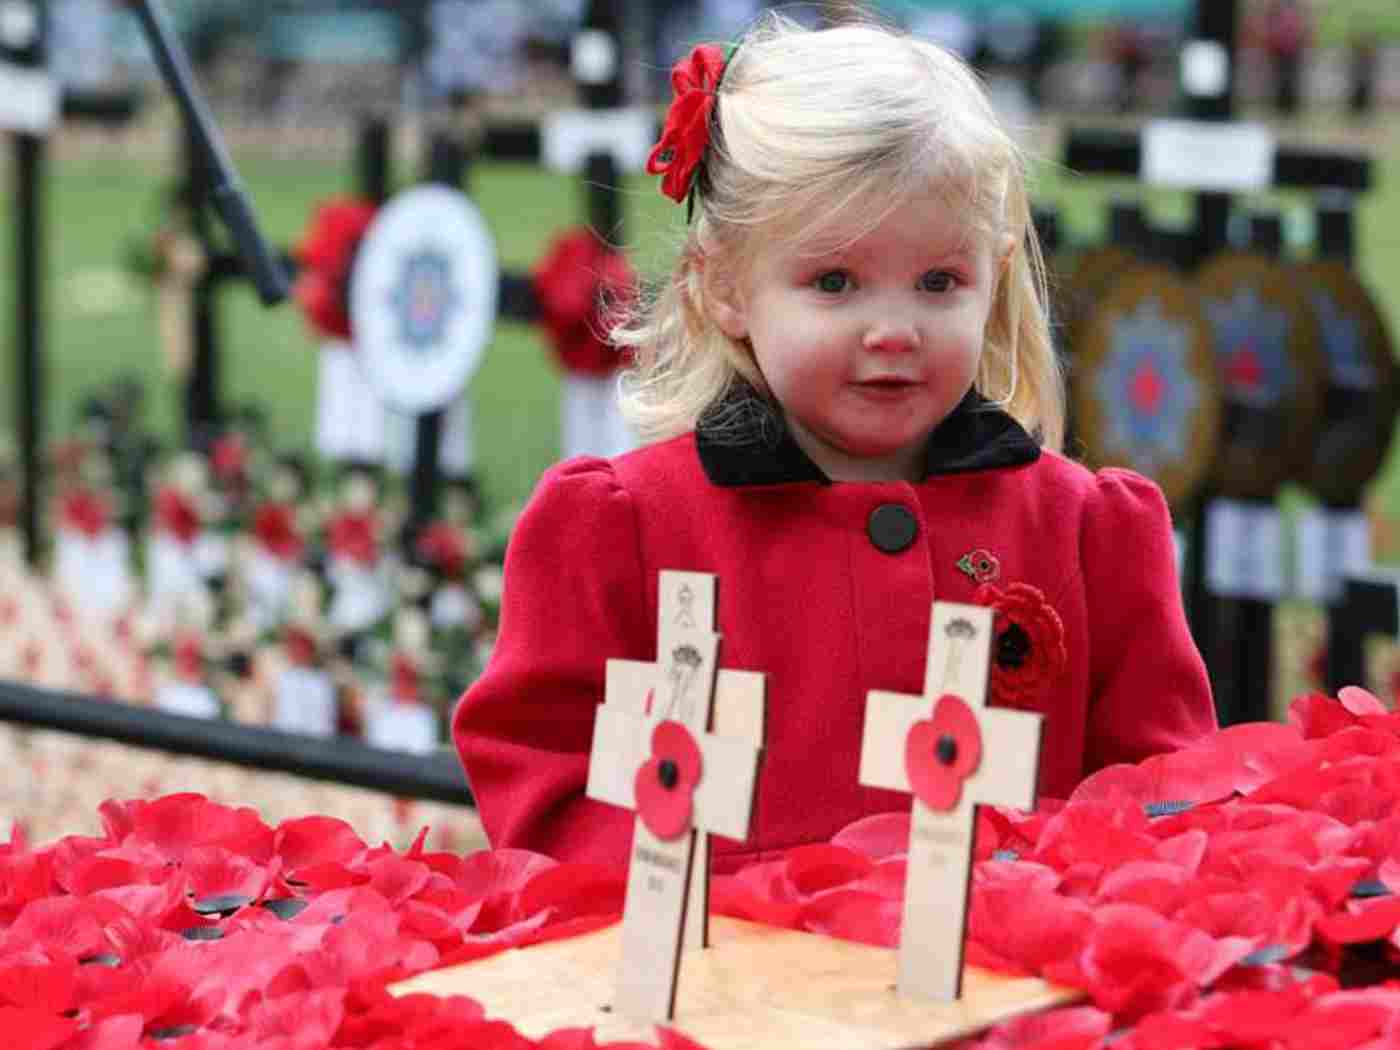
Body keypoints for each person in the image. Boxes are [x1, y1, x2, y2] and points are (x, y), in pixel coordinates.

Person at [454, 12, 1216, 871]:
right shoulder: (625, 530)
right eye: (835, 281)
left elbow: (1163, 800)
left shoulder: (1087, 534)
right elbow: (543, 779)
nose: (893, 329)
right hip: (717, 992)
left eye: (939, 282)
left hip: (1013, 993)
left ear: (994, 278)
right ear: (727, 287)